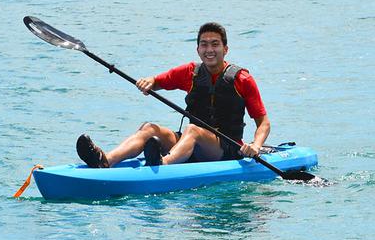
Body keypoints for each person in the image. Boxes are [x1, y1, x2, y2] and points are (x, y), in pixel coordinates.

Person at [76, 22, 270, 167]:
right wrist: (149, 82)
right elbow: (158, 81)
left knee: (193, 130)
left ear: (225, 49)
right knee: (149, 128)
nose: (209, 50)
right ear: (198, 49)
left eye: (215, 44)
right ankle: (105, 161)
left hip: (226, 148)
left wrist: (256, 145)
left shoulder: (242, 79)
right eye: (204, 45)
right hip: (190, 143)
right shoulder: (190, 72)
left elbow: (263, 123)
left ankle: (164, 165)